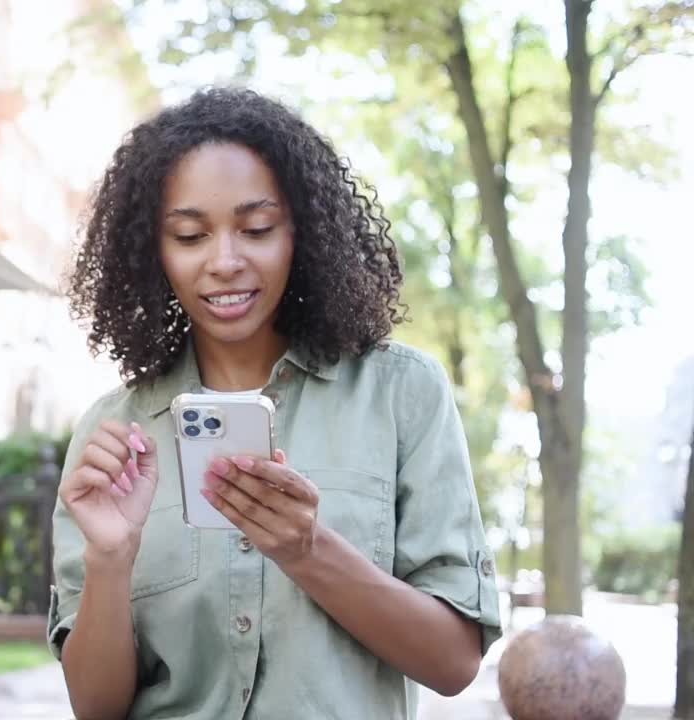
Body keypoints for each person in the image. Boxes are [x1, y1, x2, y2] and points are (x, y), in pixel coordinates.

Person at [49, 87, 501, 720]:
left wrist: (307, 550)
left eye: (257, 229)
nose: (225, 261)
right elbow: (95, 708)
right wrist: (109, 560)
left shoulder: (402, 394)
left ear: (302, 234)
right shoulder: (114, 432)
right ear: (155, 252)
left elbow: (454, 663)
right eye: (189, 235)